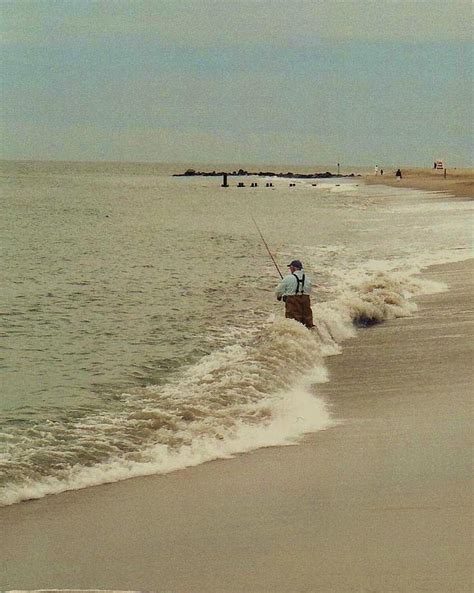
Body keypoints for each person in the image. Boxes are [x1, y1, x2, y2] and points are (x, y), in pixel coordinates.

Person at [275, 260, 314, 329]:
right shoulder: (308, 279)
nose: (290, 269)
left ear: (293, 268)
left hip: (293, 304)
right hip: (306, 302)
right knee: (308, 324)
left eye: (290, 268)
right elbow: (309, 291)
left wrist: (280, 296)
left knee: (293, 323)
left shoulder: (288, 278)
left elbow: (278, 291)